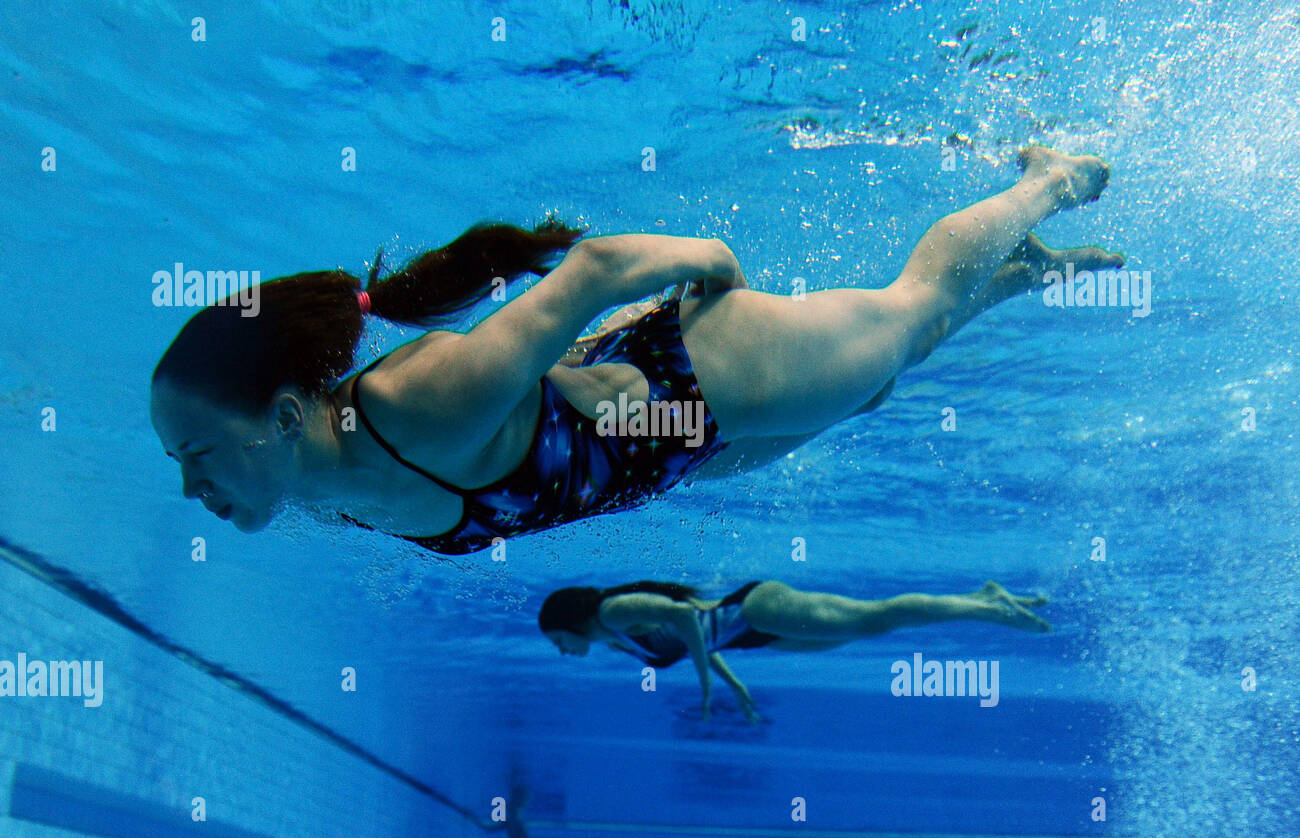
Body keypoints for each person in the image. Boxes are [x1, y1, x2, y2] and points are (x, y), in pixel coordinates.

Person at [151, 146, 1120, 554]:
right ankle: (1012, 271)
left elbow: (594, 268)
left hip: (704, 373)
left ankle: (1044, 179)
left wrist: (710, 258)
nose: (192, 488)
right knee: (871, 389)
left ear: (281, 415)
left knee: (906, 317)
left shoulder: (420, 400)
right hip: (675, 449)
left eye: (196, 454)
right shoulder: (317, 491)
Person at [539, 579, 1050, 722]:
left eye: (557, 642)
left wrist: (705, 682)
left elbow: (681, 617)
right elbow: (695, 640)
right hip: (757, 636)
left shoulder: (612, 611)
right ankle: (981, 600)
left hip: (756, 609)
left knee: (872, 618)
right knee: (869, 629)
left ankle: (987, 605)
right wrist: (735, 687)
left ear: (568, 623)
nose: (562, 652)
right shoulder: (616, 642)